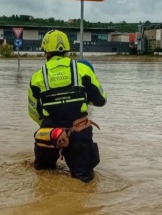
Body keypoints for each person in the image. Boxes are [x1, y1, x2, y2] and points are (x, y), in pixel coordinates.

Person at [28, 30, 107, 183]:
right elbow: (100, 100)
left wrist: (48, 126)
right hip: (79, 132)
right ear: (67, 48)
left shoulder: (36, 77)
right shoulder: (84, 70)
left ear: (45, 50)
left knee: (44, 176)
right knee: (84, 180)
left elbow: (33, 112)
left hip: (50, 133)